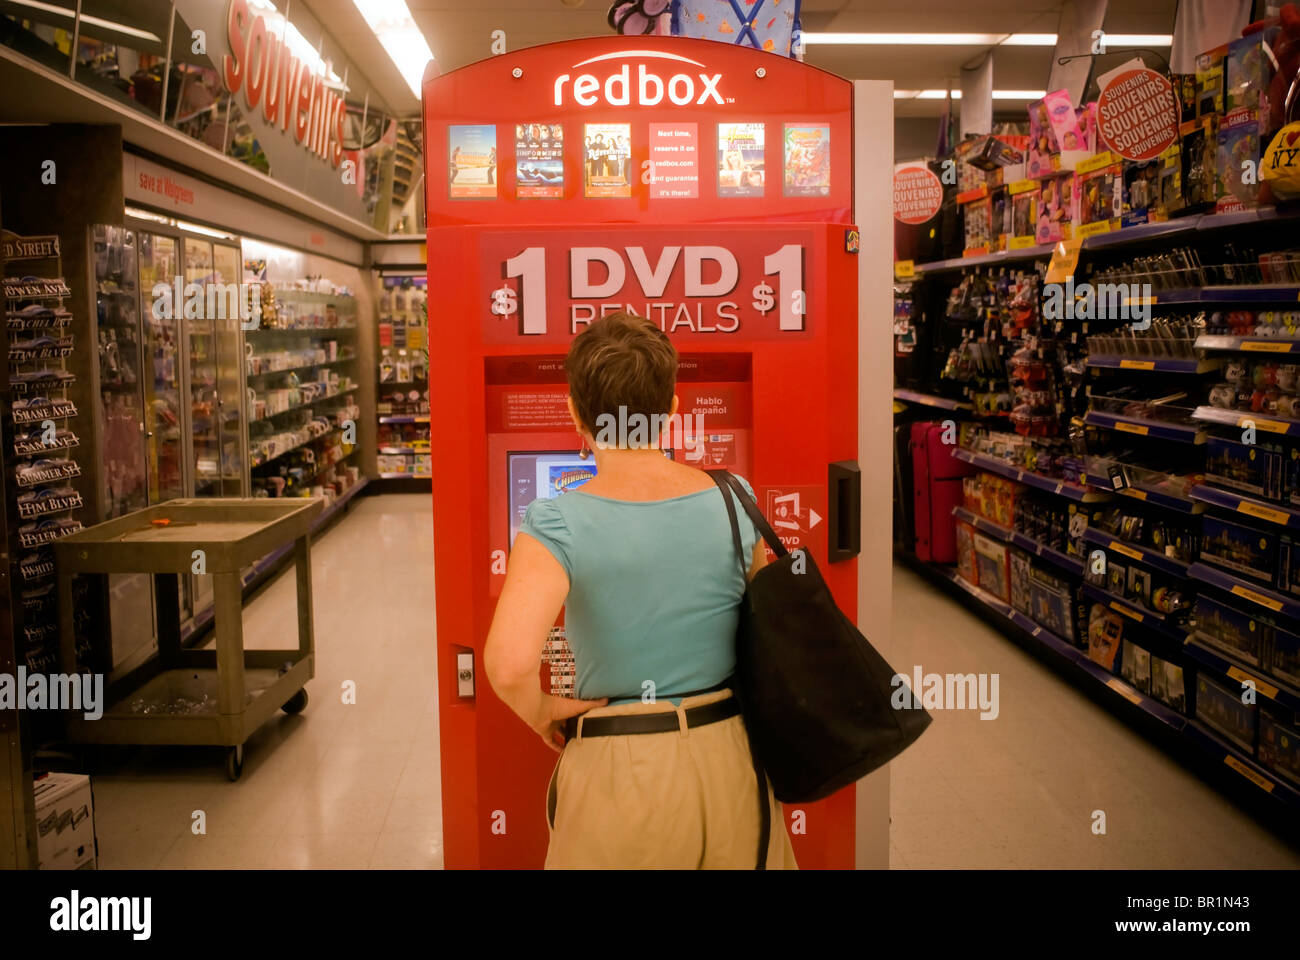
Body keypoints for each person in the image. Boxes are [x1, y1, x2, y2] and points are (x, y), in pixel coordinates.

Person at [483, 312, 798, 870]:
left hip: (621, 769)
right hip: (734, 760)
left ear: (576, 414)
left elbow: (508, 666)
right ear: (672, 409)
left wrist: (543, 713)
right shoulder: (734, 498)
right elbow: (763, 631)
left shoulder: (556, 521)